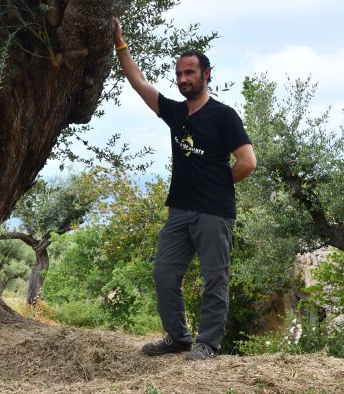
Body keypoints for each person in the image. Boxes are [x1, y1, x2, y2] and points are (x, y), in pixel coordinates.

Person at [112, 18, 257, 361]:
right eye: (178, 74)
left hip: (214, 212)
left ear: (207, 74)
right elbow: (138, 82)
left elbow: (247, 161)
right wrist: (120, 44)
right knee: (164, 273)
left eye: (190, 72)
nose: (183, 79)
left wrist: (218, 183)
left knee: (214, 279)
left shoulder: (224, 116)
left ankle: (207, 344)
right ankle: (178, 338)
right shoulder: (176, 113)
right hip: (179, 210)